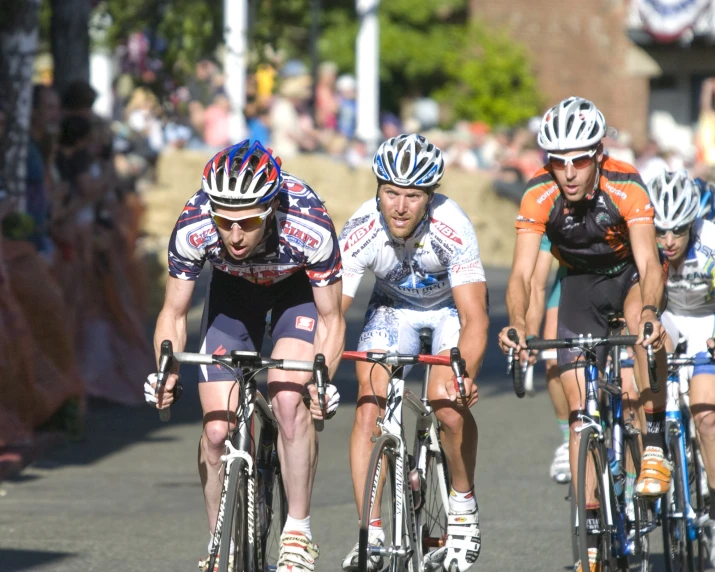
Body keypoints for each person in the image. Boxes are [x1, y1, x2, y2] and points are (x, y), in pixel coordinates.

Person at [145, 141, 346, 572]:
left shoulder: (308, 223)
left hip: (295, 293)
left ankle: (297, 532)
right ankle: (220, 544)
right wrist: (166, 372)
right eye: (225, 221)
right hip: (233, 297)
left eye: (249, 222)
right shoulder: (193, 224)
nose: (234, 236)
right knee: (217, 431)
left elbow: (332, 320)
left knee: (290, 401)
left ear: (271, 209)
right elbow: (174, 313)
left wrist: (322, 380)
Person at [497, 96, 670, 572]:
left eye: (579, 160)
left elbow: (650, 261)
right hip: (579, 284)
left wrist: (652, 311)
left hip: (630, 277)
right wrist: (517, 323)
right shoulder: (538, 193)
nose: (569, 172)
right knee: (580, 414)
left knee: (642, 330)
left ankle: (652, 440)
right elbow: (523, 276)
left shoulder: (626, 183)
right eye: (558, 161)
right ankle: (591, 530)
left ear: (598, 154)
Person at [339, 133, 489, 572]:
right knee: (369, 403)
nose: (400, 207)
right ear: (378, 189)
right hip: (393, 310)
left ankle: (463, 510)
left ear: (430, 197)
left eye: (412, 196)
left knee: (447, 404)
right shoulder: (362, 228)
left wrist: (466, 376)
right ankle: (373, 534)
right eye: (391, 193)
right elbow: (331, 313)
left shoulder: (451, 226)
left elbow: (475, 317)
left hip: (449, 312)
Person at [646, 171, 715, 532]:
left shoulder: (711, 242)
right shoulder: (644, 243)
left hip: (708, 321)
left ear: (694, 223)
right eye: (660, 231)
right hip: (669, 318)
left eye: (678, 231)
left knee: (706, 418)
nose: (668, 241)